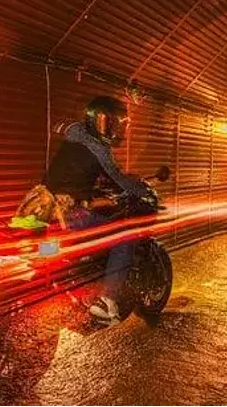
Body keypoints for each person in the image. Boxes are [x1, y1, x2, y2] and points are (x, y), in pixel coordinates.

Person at [42, 96, 149, 326]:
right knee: (125, 236)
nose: (114, 128)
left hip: (44, 209)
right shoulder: (97, 147)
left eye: (118, 123)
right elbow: (118, 178)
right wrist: (141, 190)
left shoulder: (74, 138)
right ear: (95, 121)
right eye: (110, 122)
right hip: (70, 214)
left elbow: (74, 174)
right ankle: (107, 301)